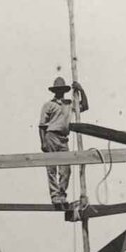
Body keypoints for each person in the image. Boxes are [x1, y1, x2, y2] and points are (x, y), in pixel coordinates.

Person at [38, 72, 88, 207]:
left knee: (66, 169)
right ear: (55, 91)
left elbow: (85, 106)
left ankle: (61, 195)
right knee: (52, 168)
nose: (60, 92)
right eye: (57, 90)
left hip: (63, 138)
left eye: (62, 90)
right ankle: (55, 197)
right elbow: (42, 125)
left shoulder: (69, 104)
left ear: (64, 91)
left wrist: (81, 90)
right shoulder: (49, 105)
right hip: (51, 136)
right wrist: (43, 142)